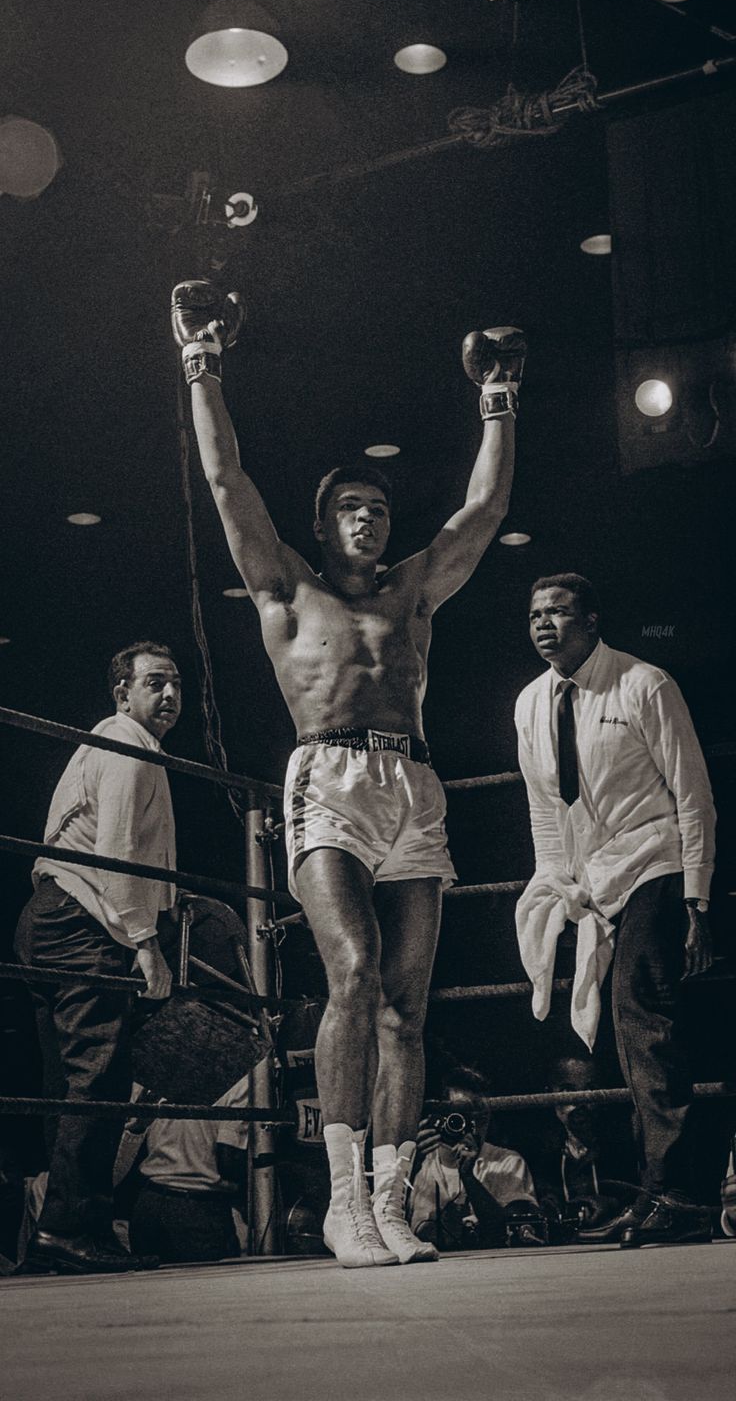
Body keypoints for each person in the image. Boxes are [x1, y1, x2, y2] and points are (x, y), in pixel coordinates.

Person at [171, 278, 524, 1267]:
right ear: (323, 525)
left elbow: (484, 508)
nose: (366, 518)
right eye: (349, 508)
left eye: (375, 505)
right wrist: (201, 363)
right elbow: (226, 481)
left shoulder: (413, 594)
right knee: (355, 975)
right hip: (324, 778)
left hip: (412, 786)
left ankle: (391, 1202)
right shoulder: (286, 587)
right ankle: (337, 1204)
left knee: (410, 1005)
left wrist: (497, 393)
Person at [514, 573, 715, 1247]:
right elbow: (545, 810)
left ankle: (679, 1196)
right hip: (595, 882)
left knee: (643, 1020)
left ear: (592, 621)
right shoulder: (530, 702)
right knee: (621, 1038)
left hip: (657, 861)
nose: (546, 624)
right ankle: (656, 1191)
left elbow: (693, 793)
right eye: (537, 614)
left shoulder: (643, 684)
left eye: (560, 612)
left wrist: (699, 899)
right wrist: (553, 883)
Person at [14, 642, 182, 1273]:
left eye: (175, 685)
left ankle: (63, 1232)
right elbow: (113, 849)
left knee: (70, 1082)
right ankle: (67, 1228)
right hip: (85, 917)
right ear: (123, 692)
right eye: (155, 683)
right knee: (99, 1078)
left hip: (51, 914)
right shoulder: (126, 740)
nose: (169, 696)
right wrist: (146, 944)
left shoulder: (109, 740)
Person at [409, 1068, 546, 1251]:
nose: (466, 1125)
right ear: (440, 1115)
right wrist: (410, 1163)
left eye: (479, 1117)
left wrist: (469, 1178)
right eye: (458, 1116)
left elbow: (509, 1232)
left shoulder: (508, 1163)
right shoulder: (416, 1161)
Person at [125, 1074, 250, 1264]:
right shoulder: (239, 1078)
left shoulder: (157, 1072)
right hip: (199, 1208)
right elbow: (229, 1160)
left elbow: (132, 1137)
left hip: (148, 1202)